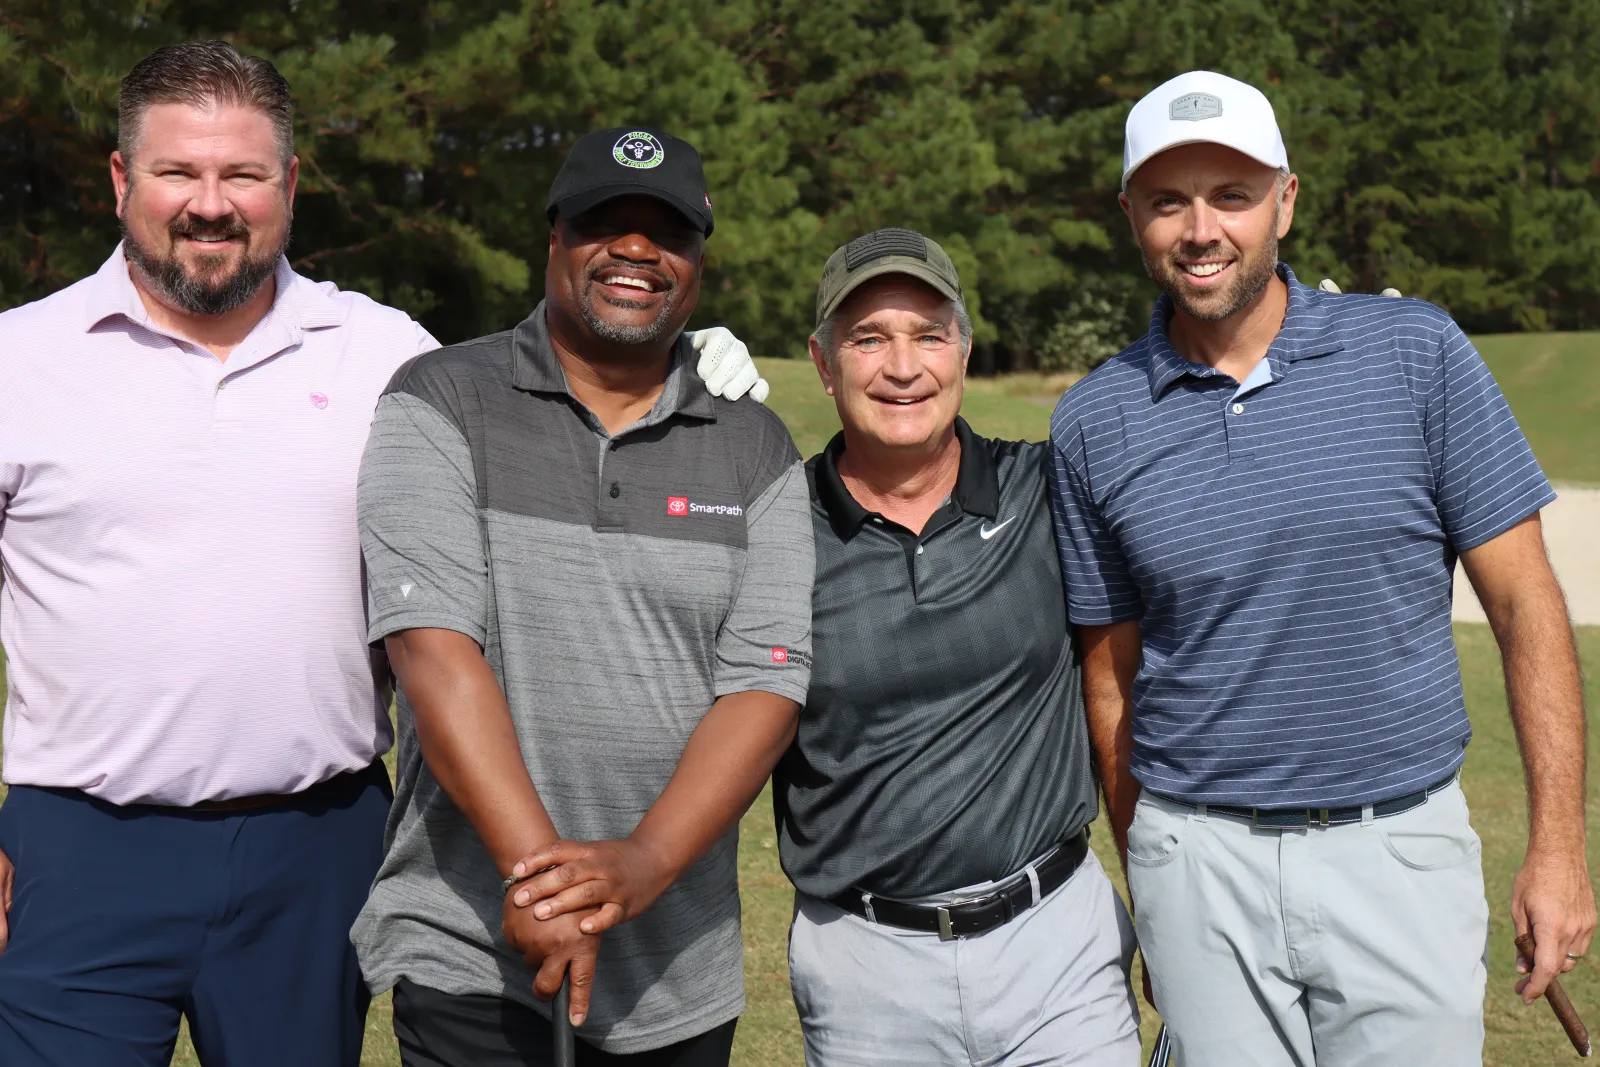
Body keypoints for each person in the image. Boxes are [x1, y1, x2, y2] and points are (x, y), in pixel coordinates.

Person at [0, 42, 763, 1067]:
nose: (211, 204)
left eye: (244, 175)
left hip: (317, 845)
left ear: (291, 186)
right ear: (122, 179)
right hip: (80, 842)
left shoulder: (385, 353)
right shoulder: (22, 359)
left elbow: (539, 392)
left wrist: (674, 364)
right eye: (180, 172)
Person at [1049, 70, 1594, 1066]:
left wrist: (1558, 849)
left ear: (1285, 202)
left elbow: (1523, 604)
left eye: (1231, 195)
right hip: (1195, 859)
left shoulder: (1416, 352)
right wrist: (1149, 879)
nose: (1200, 228)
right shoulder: (1092, 420)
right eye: (1168, 200)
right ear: (1131, 216)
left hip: (1396, 849)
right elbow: (1109, 681)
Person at [351, 126, 814, 1067]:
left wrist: (642, 863)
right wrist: (542, 884)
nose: (637, 249)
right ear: (555, 236)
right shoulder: (440, 400)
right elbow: (435, 653)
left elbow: (766, 681)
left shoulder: (757, 445)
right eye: (606, 220)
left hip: (678, 965)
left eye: (667, 230)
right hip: (471, 944)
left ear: (696, 261)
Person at [778, 228, 1141, 1065]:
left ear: (965, 352)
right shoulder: (775, 526)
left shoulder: (1047, 489)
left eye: (928, 335)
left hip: (1057, 949)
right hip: (864, 964)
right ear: (824, 361)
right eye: (868, 339)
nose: (902, 367)